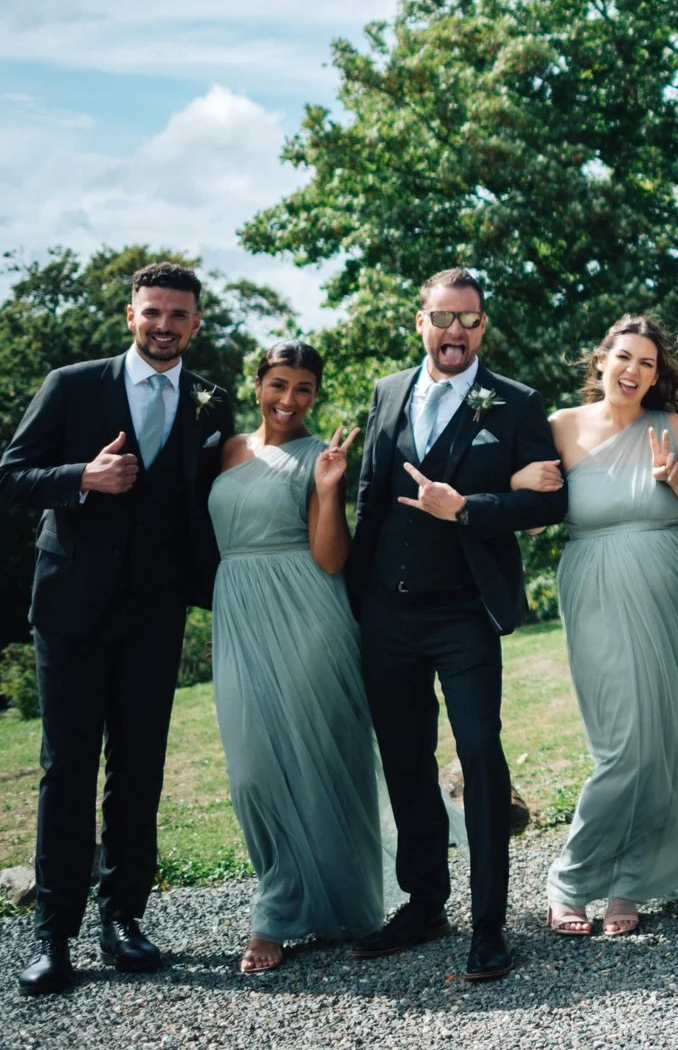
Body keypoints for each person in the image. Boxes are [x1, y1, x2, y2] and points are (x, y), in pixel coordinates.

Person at [2, 260, 236, 996]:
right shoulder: (73, 385)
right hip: (72, 609)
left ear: (195, 323)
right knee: (64, 770)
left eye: (178, 314)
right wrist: (81, 478)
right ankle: (53, 934)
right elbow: (10, 473)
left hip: (155, 612)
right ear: (130, 314)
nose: (163, 325)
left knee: (139, 770)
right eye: (152, 312)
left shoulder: (210, 402)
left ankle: (124, 919)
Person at [343, 266, 564, 984]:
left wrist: (467, 505)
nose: (455, 331)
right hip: (387, 610)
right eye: (443, 318)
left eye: (469, 319)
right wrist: (355, 602)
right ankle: (425, 902)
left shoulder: (517, 403)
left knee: (479, 755)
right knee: (405, 758)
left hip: (465, 612)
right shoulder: (387, 392)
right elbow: (372, 499)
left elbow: (547, 504)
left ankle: (491, 923)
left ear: (483, 327)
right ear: (421, 322)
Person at [543, 317, 678, 938]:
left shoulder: (674, 427)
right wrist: (522, 481)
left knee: (665, 739)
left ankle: (632, 880)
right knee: (622, 744)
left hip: (677, 588)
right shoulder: (560, 427)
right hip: (595, 587)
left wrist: (675, 478)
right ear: (601, 360)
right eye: (624, 357)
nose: (633, 371)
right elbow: (531, 511)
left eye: (648, 364)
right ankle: (571, 878)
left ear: (658, 376)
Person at [207, 342, 386, 974]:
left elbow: (332, 559)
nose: (289, 400)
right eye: (278, 385)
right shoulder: (225, 451)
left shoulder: (320, 457)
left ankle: (290, 915)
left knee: (322, 756)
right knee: (252, 770)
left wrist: (331, 489)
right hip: (238, 609)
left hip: (309, 612)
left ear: (316, 394)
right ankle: (284, 899)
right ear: (256, 384)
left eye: (304, 389)